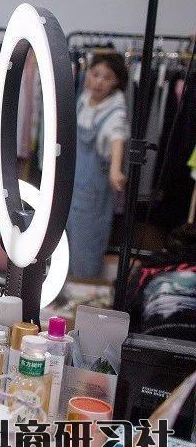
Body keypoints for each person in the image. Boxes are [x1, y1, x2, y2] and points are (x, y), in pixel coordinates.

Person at [66, 52, 129, 279]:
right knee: (65, 250)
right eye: (95, 74)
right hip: (71, 191)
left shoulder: (115, 111)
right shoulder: (84, 99)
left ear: (117, 82)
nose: (99, 82)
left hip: (92, 199)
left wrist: (115, 169)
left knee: (86, 253)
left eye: (107, 77)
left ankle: (85, 295)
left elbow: (117, 137)